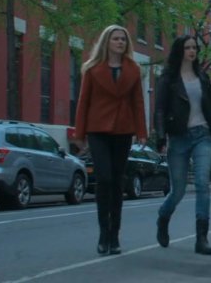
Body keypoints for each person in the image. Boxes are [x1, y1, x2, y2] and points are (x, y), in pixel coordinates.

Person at [74, 25, 147, 255]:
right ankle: (103, 234)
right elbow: (83, 102)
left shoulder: (134, 70)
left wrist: (142, 131)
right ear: (107, 42)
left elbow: (138, 102)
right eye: (116, 39)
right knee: (104, 178)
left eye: (123, 39)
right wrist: (79, 134)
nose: (120, 42)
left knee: (117, 182)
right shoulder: (93, 69)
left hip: (123, 130)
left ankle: (114, 236)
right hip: (98, 130)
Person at [154, 35, 211, 255]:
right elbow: (160, 110)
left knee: (202, 183)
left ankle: (201, 238)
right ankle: (163, 217)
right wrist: (161, 138)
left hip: (202, 135)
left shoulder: (202, 77)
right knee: (179, 191)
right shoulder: (168, 79)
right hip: (179, 137)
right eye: (187, 47)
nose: (192, 51)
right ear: (179, 51)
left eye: (194, 48)